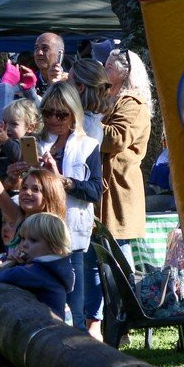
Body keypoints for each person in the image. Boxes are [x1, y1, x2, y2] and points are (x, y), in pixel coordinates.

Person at [31, 81, 102, 332]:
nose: (53, 119)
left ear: (74, 114)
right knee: (43, 307)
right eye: (48, 112)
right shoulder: (37, 144)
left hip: (71, 236)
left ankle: (81, 361)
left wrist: (63, 181)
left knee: (75, 308)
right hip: (38, 234)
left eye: (60, 114)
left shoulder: (88, 145)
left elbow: (95, 191)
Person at [66, 57, 111, 340]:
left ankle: (86, 330)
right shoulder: (86, 121)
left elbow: (90, 183)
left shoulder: (89, 127)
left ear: (80, 87)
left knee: (82, 272)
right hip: (75, 208)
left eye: (70, 82)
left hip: (81, 209)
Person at [101, 48, 153, 265]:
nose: (104, 69)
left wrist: (85, 121)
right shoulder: (110, 99)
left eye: (109, 67)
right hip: (107, 187)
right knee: (102, 256)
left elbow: (116, 139)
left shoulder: (132, 102)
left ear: (125, 72)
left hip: (118, 188)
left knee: (117, 259)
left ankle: (125, 299)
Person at [0, 212, 75, 319]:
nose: (24, 245)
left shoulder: (40, 272)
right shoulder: (53, 267)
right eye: (23, 238)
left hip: (44, 328)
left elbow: (2, 274)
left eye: (33, 240)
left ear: (53, 246)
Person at [0, 98, 42, 254]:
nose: (7, 128)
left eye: (14, 124)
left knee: (13, 238)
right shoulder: (4, 140)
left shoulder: (29, 144)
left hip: (16, 200)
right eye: (5, 123)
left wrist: (6, 141)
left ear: (30, 127)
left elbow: (18, 155)